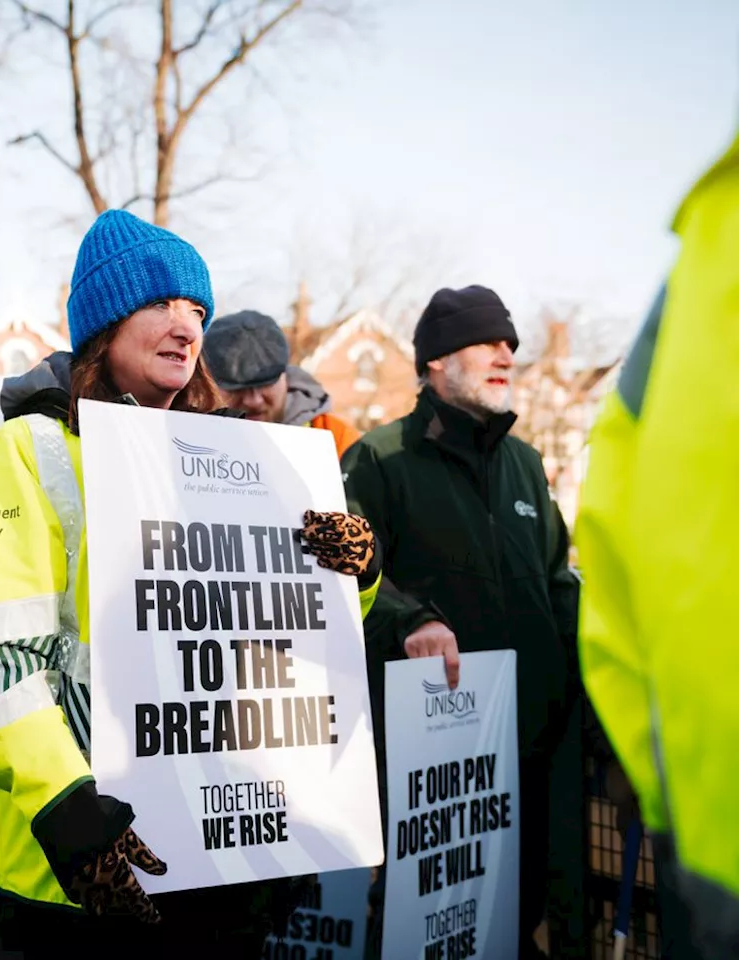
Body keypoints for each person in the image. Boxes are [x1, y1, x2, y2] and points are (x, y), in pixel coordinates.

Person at [0, 209, 382, 956]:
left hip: (219, 857)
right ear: (104, 322)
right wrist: (62, 804)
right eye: (160, 304)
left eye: (197, 310)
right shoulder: (29, 452)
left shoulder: (237, 460)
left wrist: (356, 576)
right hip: (82, 865)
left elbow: (295, 633)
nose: (186, 326)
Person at [341, 285, 584, 958]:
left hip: (529, 756)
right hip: (430, 770)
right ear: (435, 363)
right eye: (485, 341)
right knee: (418, 930)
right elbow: (338, 574)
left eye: (510, 343)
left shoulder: (528, 467)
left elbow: (561, 590)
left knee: (516, 919)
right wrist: (408, 617)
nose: (505, 353)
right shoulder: (379, 459)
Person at [576, 131, 739, 959]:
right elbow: (612, 548)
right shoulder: (710, 233)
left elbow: (607, 556)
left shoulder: (710, 236)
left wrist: (659, 774)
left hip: (708, 838)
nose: (504, 357)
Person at [202, 309, 361, 456]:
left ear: (285, 375)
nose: (254, 400)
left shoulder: (337, 439)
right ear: (208, 381)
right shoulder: (189, 436)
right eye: (236, 388)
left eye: (265, 384)